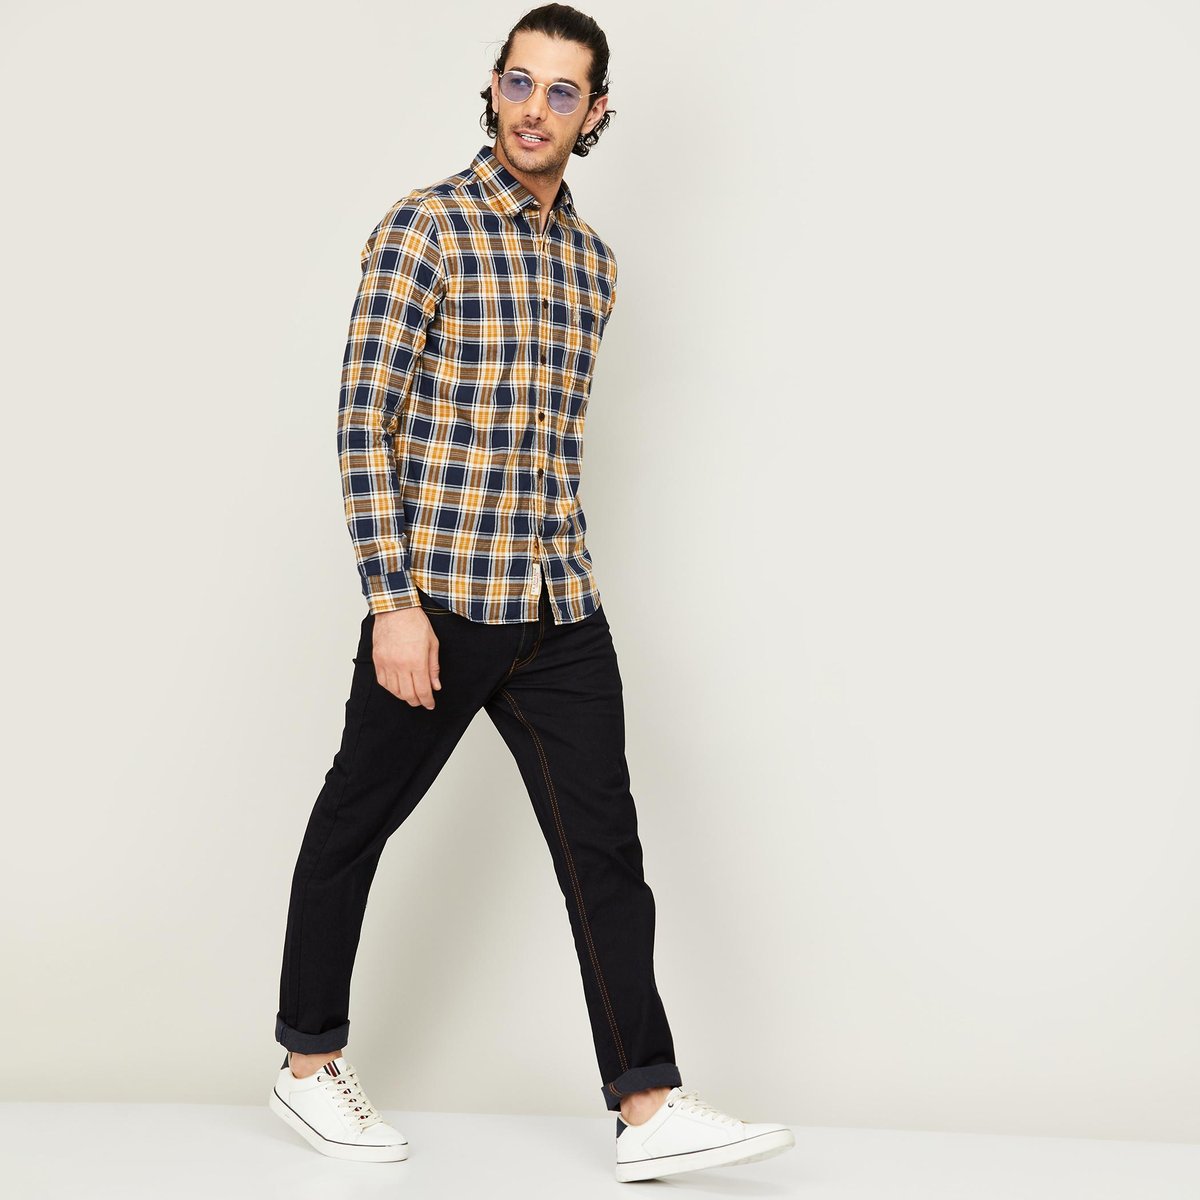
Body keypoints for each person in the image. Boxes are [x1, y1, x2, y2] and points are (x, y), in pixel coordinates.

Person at [267, 4, 795, 1183]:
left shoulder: (594, 265)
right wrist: (391, 601)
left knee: (606, 850)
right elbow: (363, 420)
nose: (534, 109)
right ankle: (307, 1065)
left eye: (562, 92)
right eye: (519, 81)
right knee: (357, 818)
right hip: (442, 600)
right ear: (493, 85)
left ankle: (646, 1107)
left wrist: (569, 587)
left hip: (558, 603)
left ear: (595, 112)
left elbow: (551, 446)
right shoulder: (425, 228)